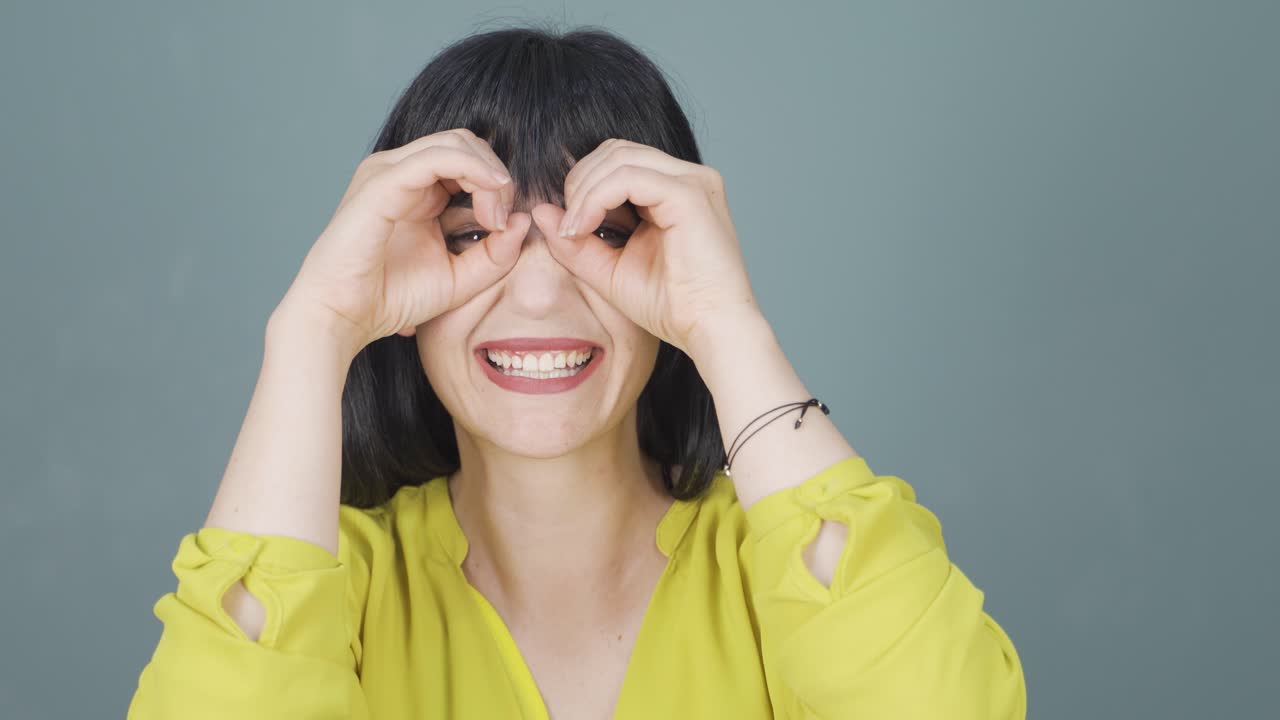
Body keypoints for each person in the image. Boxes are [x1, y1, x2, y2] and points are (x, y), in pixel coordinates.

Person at [127, 24, 1026, 720]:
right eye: (473, 235)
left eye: (603, 231)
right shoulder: (333, 593)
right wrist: (311, 332)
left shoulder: (779, 572)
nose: (539, 297)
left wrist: (728, 328)